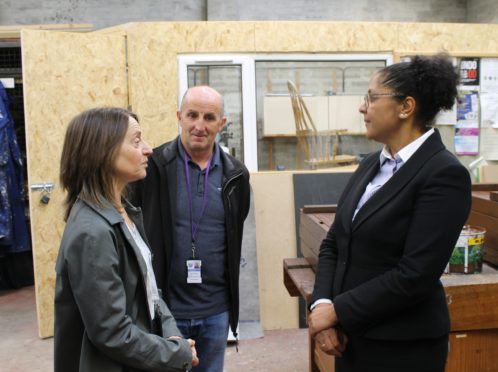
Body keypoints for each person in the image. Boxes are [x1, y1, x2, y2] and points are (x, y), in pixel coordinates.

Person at [308, 54, 472, 372]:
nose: (362, 107)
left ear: (405, 107)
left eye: (371, 97)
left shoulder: (443, 173)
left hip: (402, 349)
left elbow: (415, 275)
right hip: (351, 341)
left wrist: (337, 310)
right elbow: (335, 243)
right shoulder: (371, 164)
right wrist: (323, 306)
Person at [54, 107, 199, 372]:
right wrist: (175, 353)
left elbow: (151, 291)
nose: (148, 149)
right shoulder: (92, 232)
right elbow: (112, 332)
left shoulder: (125, 213)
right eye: (136, 141)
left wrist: (172, 336)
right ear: (103, 152)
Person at [131, 86, 251, 372]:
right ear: (179, 117)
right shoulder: (153, 167)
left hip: (216, 311)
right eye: (192, 115)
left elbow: (236, 229)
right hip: (165, 310)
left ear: (222, 123)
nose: (200, 125)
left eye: (209, 117)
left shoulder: (236, 175)